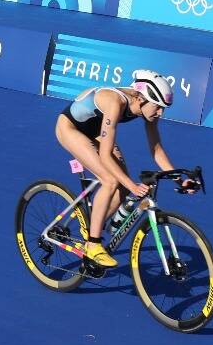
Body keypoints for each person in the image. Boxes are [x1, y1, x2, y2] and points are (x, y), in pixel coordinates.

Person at [52, 70, 192, 267]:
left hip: (96, 131)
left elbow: (157, 150)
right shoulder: (115, 102)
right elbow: (105, 155)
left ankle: (93, 225)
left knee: (123, 189)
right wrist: (134, 187)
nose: (161, 113)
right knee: (110, 181)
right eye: (158, 107)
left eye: (163, 108)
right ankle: (93, 245)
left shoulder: (147, 107)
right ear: (142, 99)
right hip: (70, 129)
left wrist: (180, 179)